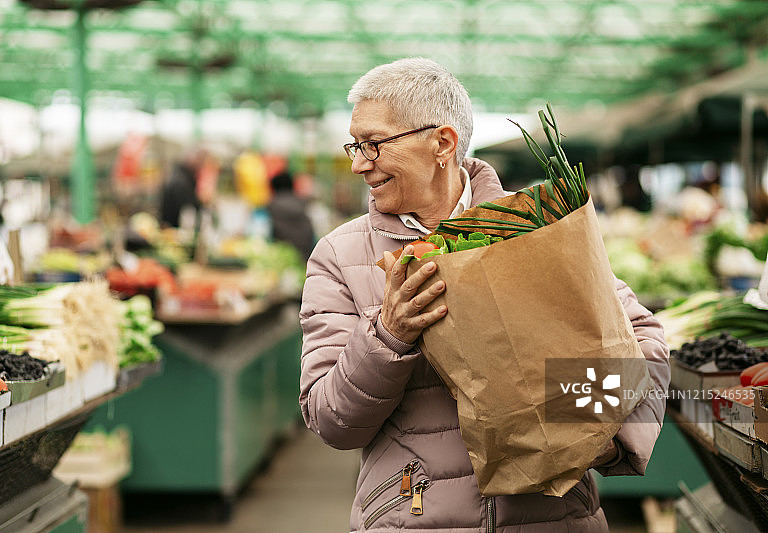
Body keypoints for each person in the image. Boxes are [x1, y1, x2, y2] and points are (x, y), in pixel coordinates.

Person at [299, 57, 670, 533]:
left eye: (372, 144)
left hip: (553, 519)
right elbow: (331, 420)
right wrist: (387, 336)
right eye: (355, 145)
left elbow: (643, 340)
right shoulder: (340, 256)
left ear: (442, 143)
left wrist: (594, 432)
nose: (357, 164)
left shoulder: (536, 229)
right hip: (412, 516)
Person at [267, 170, 316, 260]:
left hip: (282, 256)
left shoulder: (270, 206)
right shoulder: (303, 203)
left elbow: (264, 234)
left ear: (273, 188)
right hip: (306, 254)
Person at [158, 146, 206, 228]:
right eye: (200, 159)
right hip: (173, 227)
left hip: (171, 225)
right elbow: (189, 206)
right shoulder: (181, 179)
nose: (201, 164)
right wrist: (202, 202)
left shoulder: (180, 174)